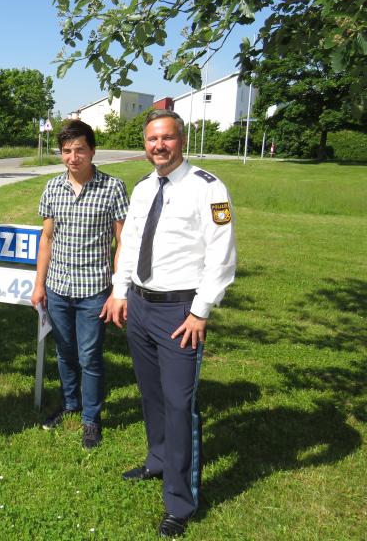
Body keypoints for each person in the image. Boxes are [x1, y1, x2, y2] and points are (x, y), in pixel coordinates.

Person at [108, 109, 236, 538]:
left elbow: (222, 254)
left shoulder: (209, 189)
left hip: (181, 312)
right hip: (141, 307)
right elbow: (128, 245)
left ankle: (180, 502)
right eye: (150, 140)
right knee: (151, 394)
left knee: (181, 406)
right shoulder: (143, 188)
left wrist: (201, 311)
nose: (158, 146)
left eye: (166, 138)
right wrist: (120, 291)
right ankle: (157, 461)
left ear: (181, 140)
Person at [31, 119, 128, 449]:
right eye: (67, 151)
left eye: (80, 150)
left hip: (93, 289)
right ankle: (70, 404)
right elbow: (46, 239)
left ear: (92, 151)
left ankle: (91, 418)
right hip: (58, 287)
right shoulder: (52, 188)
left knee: (90, 356)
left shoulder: (112, 187)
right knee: (65, 353)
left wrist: (118, 289)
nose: (73, 157)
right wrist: (39, 284)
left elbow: (122, 242)